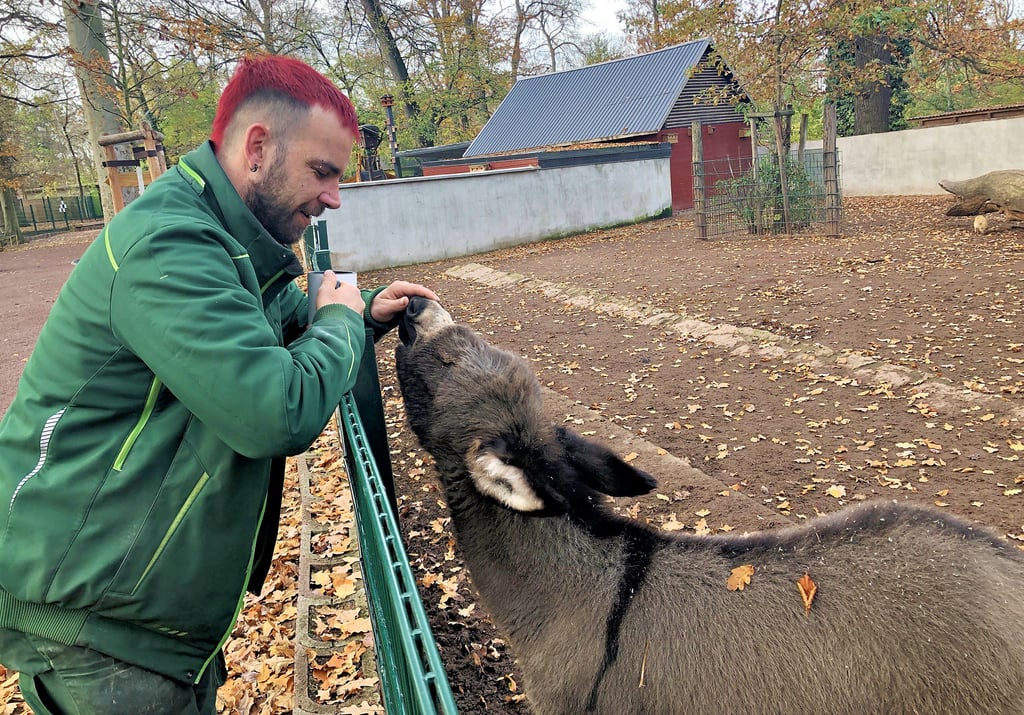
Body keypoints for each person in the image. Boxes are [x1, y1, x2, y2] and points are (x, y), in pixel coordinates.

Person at [0, 54, 437, 713]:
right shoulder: (168, 244)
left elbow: (287, 317)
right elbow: (276, 410)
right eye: (323, 172)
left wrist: (363, 308)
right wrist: (342, 317)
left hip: (135, 615)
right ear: (258, 147)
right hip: (93, 624)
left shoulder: (225, 241)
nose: (334, 197)